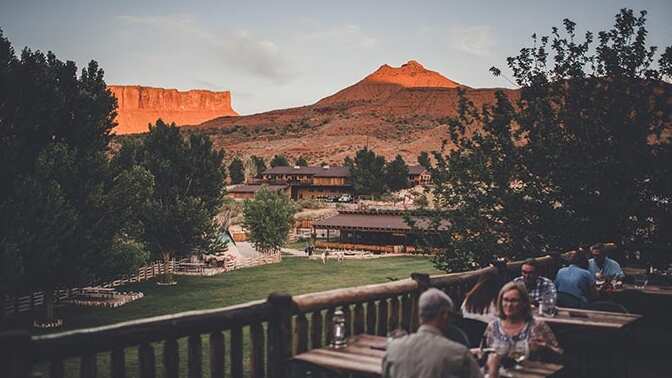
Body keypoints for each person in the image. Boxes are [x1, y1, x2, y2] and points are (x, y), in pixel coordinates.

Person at [383, 288, 483, 378]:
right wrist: (493, 368)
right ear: (444, 314)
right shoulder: (458, 354)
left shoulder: (393, 348)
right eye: (450, 314)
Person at [484, 282, 562, 378]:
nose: (509, 305)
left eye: (514, 301)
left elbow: (559, 355)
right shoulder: (493, 326)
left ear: (524, 303)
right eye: (505, 300)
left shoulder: (536, 326)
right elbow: (486, 352)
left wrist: (545, 347)